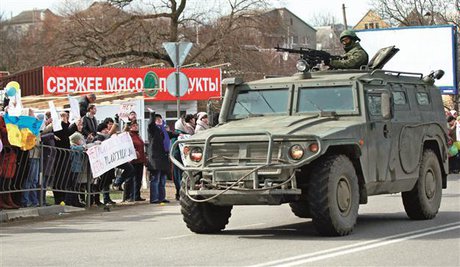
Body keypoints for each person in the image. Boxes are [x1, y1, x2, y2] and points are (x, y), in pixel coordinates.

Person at [147, 111, 170, 204]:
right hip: (155, 158)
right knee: (155, 179)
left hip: (163, 158)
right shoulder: (153, 129)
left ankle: (161, 197)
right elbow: (150, 124)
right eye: (157, 119)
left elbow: (171, 134)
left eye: (160, 119)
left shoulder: (163, 130)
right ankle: (154, 198)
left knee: (162, 180)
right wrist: (152, 115)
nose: (159, 120)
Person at [126, 121, 146, 201]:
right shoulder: (129, 135)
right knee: (132, 179)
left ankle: (137, 195)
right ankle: (131, 196)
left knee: (138, 179)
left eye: (136, 125)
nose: (136, 126)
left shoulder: (138, 135)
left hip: (140, 160)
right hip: (133, 160)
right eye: (133, 125)